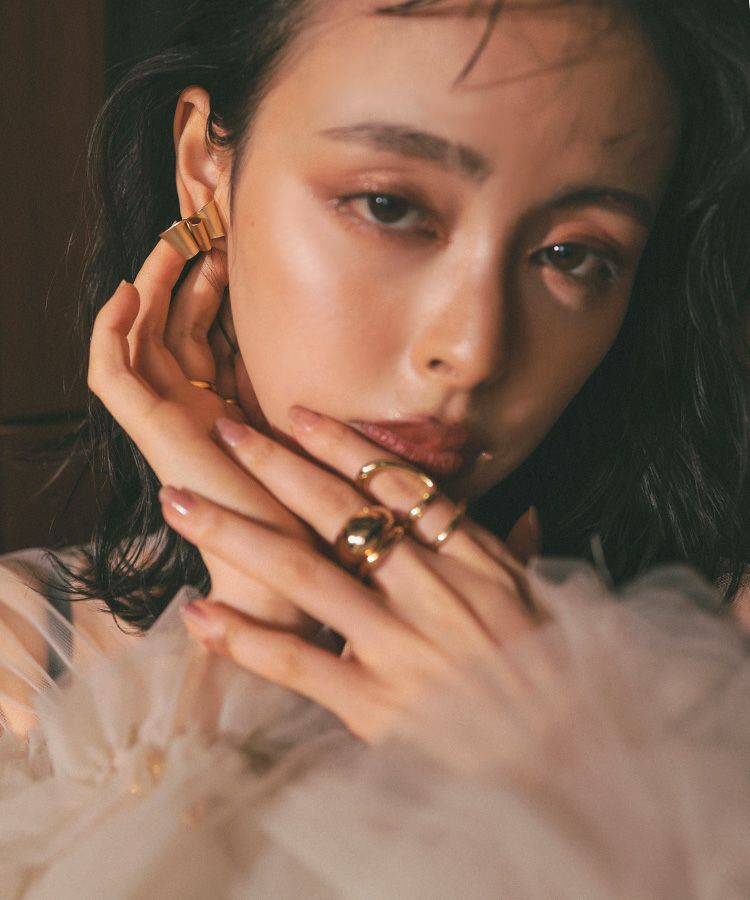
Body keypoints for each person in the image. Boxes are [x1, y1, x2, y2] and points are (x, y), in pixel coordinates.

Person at [0, 0, 748, 896]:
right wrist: (246, 646)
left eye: (573, 255)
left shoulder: (722, 671)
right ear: (205, 170)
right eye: (389, 207)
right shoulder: (26, 653)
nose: (472, 350)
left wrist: (570, 789)